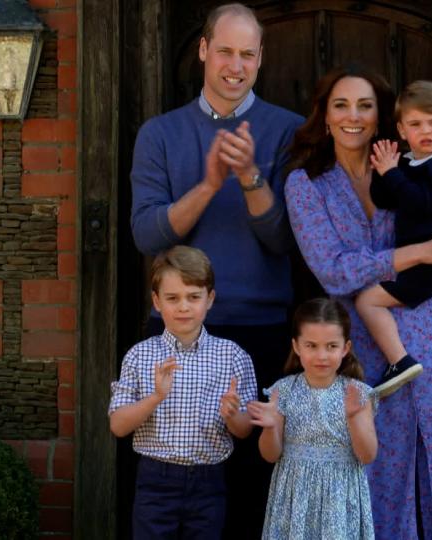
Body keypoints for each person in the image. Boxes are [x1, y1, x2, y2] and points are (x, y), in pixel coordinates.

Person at [284, 65, 432, 539]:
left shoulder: (415, 169)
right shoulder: (306, 184)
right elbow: (333, 270)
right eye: (341, 105)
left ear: (382, 119)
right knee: (373, 476)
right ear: (325, 115)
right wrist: (423, 252)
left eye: (365, 106)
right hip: (359, 351)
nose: (352, 116)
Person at [128, 4, 303, 535]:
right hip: (179, 333)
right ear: (203, 50)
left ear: (260, 59)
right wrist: (207, 185)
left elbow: (284, 241)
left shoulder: (289, 131)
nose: (235, 65)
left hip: (264, 332)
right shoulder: (160, 133)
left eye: (247, 54)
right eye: (224, 51)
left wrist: (250, 176)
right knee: (178, 486)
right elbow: (148, 236)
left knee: (254, 488)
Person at [108, 246, 257, 539]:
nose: (184, 307)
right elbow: (118, 425)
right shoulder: (140, 355)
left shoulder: (232, 356)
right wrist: (155, 397)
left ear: (210, 299)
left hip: (208, 481)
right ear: (156, 301)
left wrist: (232, 416)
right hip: (155, 480)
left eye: (193, 297)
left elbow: (244, 431)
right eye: (172, 298)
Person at [356, 80, 432, 397]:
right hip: (415, 262)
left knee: (367, 300)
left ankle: (399, 362)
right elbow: (385, 199)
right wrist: (383, 170)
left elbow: (421, 203)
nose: (426, 131)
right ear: (402, 131)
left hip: (429, 266)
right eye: (416, 124)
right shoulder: (412, 162)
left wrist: (393, 174)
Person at [248, 298, 377, 540]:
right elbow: (270, 455)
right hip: (294, 496)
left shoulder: (358, 394)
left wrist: (353, 418)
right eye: (311, 345)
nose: (322, 355)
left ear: (345, 348)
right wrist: (270, 427)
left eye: (331, 346)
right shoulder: (282, 391)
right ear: (296, 346)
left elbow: (367, 455)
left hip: (340, 496)